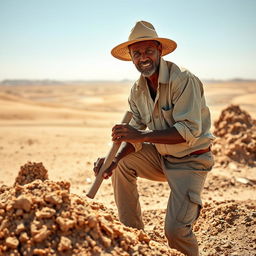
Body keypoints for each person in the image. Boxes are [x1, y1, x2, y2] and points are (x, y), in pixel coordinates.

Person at [93, 20, 214, 256]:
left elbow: (187, 131)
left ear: (159, 51)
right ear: (131, 57)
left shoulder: (182, 80)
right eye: (137, 53)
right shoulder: (137, 90)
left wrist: (141, 135)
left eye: (148, 50)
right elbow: (134, 137)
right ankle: (135, 243)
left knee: (176, 230)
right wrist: (114, 160)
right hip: (161, 157)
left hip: (191, 159)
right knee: (122, 163)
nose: (143, 57)